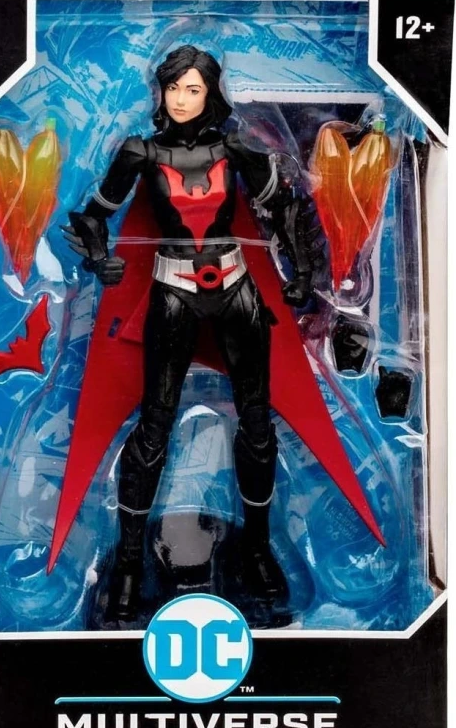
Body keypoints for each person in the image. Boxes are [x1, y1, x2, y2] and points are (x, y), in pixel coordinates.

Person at [64, 45, 320, 626]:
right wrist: (100, 259)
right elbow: (91, 215)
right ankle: (130, 562)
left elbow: (286, 208)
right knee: (154, 426)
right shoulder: (141, 152)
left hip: (236, 289)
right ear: (160, 90)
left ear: (211, 93)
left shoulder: (236, 149)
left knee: (257, 424)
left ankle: (257, 549)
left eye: (193, 89)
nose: (181, 99)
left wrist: (302, 271)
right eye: (173, 88)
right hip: (173, 289)